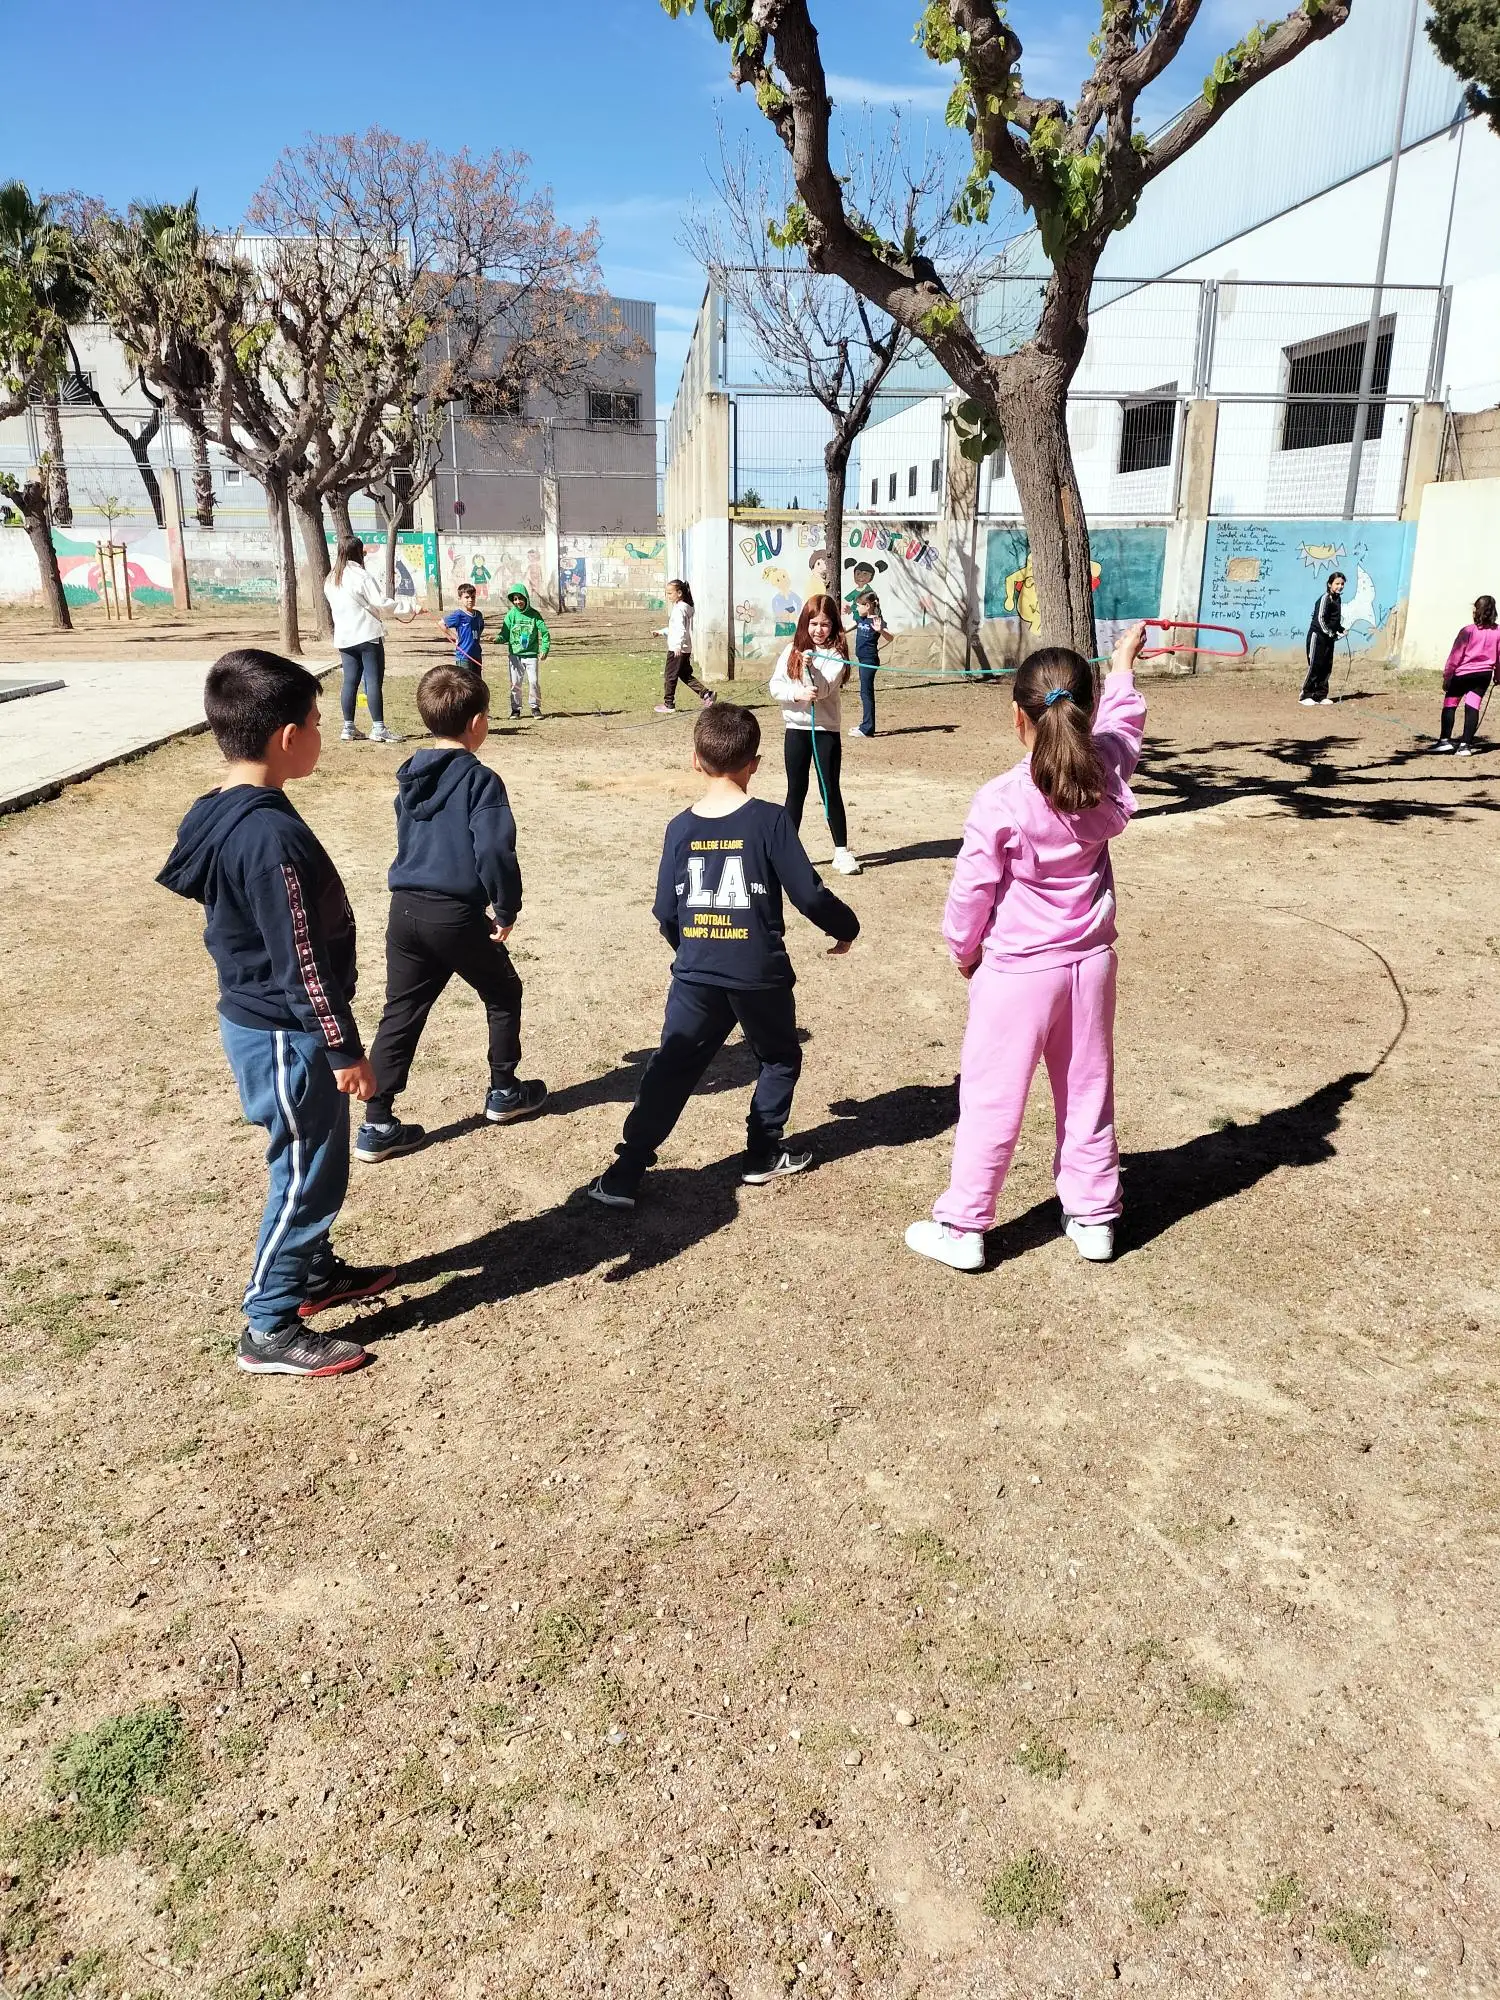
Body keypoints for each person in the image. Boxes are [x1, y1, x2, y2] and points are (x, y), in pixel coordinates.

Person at [157, 650, 397, 1377]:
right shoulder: (267, 837)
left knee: (313, 1159)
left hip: (268, 1021)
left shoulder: (222, 804)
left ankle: (312, 1273)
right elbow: (302, 958)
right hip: (286, 1035)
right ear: (288, 737)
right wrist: (342, 1047)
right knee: (306, 1173)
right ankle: (268, 1324)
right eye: (318, 723)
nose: (322, 734)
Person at [905, 623, 1149, 1274]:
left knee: (991, 1098)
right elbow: (1124, 728)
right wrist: (1123, 667)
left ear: (1019, 717)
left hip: (1017, 976)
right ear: (1085, 714)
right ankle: (1094, 1215)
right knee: (1088, 1091)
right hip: (1090, 967)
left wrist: (963, 951)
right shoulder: (1107, 769)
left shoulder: (1000, 800)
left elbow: (971, 893)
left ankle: (963, 1226)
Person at [586, 701, 859, 1208]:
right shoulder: (771, 821)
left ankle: (625, 1171)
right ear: (755, 762)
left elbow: (665, 910)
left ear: (695, 760)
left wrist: (692, 947)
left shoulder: (679, 828)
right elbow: (810, 894)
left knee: (671, 1066)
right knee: (778, 1056)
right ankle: (762, 1152)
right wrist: (846, 928)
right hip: (757, 972)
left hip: (697, 973)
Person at [356, 667, 547, 1162]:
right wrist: (506, 907)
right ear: (478, 723)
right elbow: (495, 850)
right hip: (453, 914)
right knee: (503, 991)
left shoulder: (409, 777)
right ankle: (504, 1091)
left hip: (404, 910)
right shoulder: (482, 781)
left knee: (402, 1009)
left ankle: (376, 1122)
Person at [769, 594, 861, 876]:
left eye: (825, 624)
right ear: (804, 623)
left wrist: (812, 669)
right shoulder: (791, 651)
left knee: (829, 788)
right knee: (795, 790)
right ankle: (787, 853)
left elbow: (823, 689)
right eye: (813, 623)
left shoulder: (836, 656)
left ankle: (841, 851)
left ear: (834, 626)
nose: (819, 630)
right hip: (796, 730)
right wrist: (796, 693)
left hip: (825, 731)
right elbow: (775, 686)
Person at [325, 536, 413, 745]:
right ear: (358, 552)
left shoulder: (331, 579)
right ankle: (378, 728)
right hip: (367, 634)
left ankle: (348, 727)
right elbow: (380, 602)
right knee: (373, 681)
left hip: (345, 637)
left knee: (350, 681)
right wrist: (410, 608)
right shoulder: (361, 575)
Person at [1431, 594, 1500, 756]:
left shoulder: (1467, 631)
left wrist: (1447, 676)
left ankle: (1444, 741)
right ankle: (1465, 746)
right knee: (1473, 706)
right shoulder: (1498, 632)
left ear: (1478, 611)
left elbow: (1455, 655)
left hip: (1462, 675)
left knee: (1450, 704)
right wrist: (1498, 675)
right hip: (1483, 675)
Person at [654, 578, 714, 713]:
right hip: (685, 648)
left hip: (677, 649)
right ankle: (706, 694)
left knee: (670, 676)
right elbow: (675, 628)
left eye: (670, 593)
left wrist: (677, 646)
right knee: (685, 675)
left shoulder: (679, 609)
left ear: (679, 593)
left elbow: (680, 629)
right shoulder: (683, 608)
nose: (668, 596)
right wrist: (661, 632)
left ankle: (669, 704)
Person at [500, 583, 550, 719]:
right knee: (515, 684)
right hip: (515, 656)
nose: (518, 602)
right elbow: (504, 634)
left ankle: (535, 707)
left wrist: (545, 649)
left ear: (526, 598)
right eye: (515, 599)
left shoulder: (534, 615)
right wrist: (496, 639)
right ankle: (515, 709)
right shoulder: (511, 615)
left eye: (520, 598)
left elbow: (545, 633)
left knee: (533, 682)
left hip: (531, 655)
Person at [846, 588, 891, 739]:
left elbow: (890, 637)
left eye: (858, 606)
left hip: (869, 661)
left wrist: (880, 630)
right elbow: (844, 629)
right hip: (862, 660)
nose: (856, 609)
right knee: (865, 692)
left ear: (868, 605)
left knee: (866, 693)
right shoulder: (860, 619)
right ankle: (865, 725)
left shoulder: (877, 621)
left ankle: (867, 729)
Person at [1300, 572, 1345, 705]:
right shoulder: (1325, 598)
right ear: (1330, 584)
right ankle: (1305, 695)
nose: (1340, 586)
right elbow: (1320, 619)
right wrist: (1330, 633)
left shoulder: (1338, 599)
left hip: (1329, 638)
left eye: (1342, 584)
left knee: (1326, 666)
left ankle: (1320, 695)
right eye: (1337, 583)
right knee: (1315, 666)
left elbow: (1334, 620)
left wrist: (1340, 629)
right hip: (1318, 636)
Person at [443, 582, 486, 672]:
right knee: (465, 680)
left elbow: (480, 628)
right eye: (467, 597)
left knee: (476, 680)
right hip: (464, 657)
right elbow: (441, 624)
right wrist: (455, 637)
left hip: (476, 655)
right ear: (460, 599)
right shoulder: (459, 615)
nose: (470, 600)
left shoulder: (478, 615)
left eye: (473, 597)